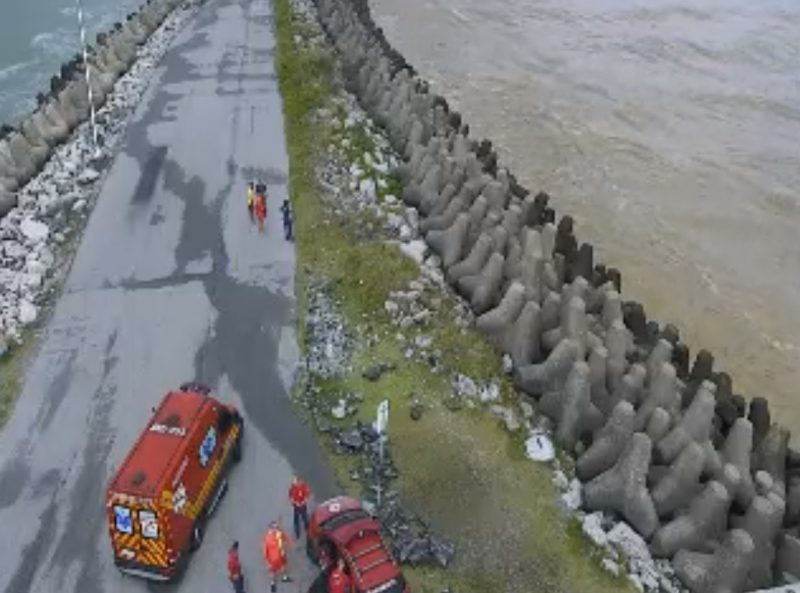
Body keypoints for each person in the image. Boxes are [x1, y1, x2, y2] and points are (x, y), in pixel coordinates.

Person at [262, 521, 292, 591]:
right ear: (271, 529)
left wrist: (289, 542)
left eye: (277, 527)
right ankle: (272, 583)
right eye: (274, 528)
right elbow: (265, 551)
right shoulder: (267, 539)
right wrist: (267, 562)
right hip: (272, 560)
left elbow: (284, 537)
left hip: (281, 555)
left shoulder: (279, 533)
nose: (276, 529)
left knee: (283, 566)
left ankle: (284, 577)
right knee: (272, 572)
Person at [288, 475, 311, 539]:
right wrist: (295, 503)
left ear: (298, 481)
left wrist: (303, 502)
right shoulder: (292, 488)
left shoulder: (303, 486)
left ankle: (307, 528)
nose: (293, 482)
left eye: (294, 481)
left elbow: (307, 495)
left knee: (304, 517)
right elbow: (290, 497)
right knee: (296, 520)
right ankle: (297, 533)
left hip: (303, 505)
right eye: (293, 481)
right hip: (296, 506)